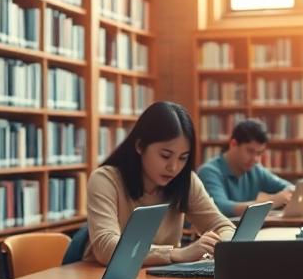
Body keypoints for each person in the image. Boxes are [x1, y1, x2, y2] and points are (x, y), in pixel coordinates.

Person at [86, 101, 236, 265]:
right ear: (140, 146)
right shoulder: (105, 180)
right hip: (99, 275)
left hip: (163, 276)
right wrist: (176, 253)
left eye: (183, 158)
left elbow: (223, 226)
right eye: (165, 155)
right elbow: (105, 247)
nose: (174, 167)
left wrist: (220, 244)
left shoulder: (186, 180)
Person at [197, 119, 294, 216]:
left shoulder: (256, 170)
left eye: (259, 153)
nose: (255, 159)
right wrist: (273, 201)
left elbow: (290, 188)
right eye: (250, 151)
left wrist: (286, 195)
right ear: (233, 144)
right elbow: (221, 208)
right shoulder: (208, 172)